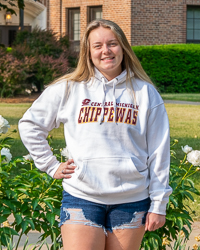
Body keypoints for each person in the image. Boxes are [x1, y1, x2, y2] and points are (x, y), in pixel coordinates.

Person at [19, 19, 172, 250]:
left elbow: (160, 151)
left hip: (131, 201)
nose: (106, 51)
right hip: (82, 197)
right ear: (88, 52)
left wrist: (159, 204)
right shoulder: (69, 88)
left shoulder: (145, 92)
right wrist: (50, 165)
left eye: (112, 44)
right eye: (97, 45)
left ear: (123, 47)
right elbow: (30, 124)